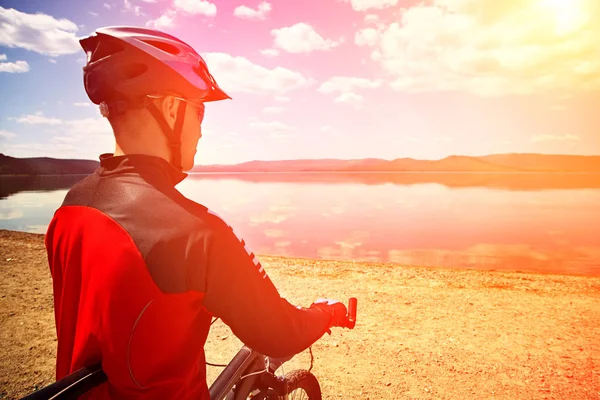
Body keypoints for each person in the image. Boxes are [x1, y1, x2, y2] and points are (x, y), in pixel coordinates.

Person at [44, 26, 348, 399]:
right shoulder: (195, 232)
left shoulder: (71, 207)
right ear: (170, 107)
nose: (202, 132)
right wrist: (325, 314)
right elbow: (278, 332)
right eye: (199, 112)